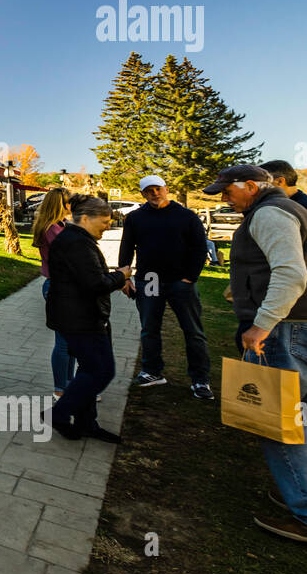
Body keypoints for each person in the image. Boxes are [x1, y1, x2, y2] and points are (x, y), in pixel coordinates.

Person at [205, 164, 307, 549]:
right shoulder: (294, 209)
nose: (224, 199)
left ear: (251, 186)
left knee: (275, 420)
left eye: (227, 191)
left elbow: (290, 273)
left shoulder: (269, 213)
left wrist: (261, 323)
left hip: (290, 329)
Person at [46, 194, 134, 443]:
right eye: (105, 221)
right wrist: (121, 275)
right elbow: (94, 284)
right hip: (81, 320)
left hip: (81, 317)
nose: (109, 225)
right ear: (85, 218)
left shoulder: (77, 239)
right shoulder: (76, 243)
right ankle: (59, 414)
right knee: (101, 371)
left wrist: (117, 280)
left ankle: (86, 423)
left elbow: (87, 274)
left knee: (88, 370)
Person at [119, 174, 215, 400]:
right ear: (142, 193)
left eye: (158, 189)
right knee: (149, 328)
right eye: (149, 190)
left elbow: (200, 249)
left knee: (193, 332)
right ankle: (152, 371)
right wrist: (124, 277)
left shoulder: (186, 216)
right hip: (149, 280)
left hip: (180, 282)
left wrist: (190, 277)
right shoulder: (135, 218)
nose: (154, 193)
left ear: (166, 189)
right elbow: (126, 246)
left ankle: (201, 380)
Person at [31, 187, 75, 397]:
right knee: (64, 342)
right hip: (58, 287)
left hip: (66, 286)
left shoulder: (60, 225)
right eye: (69, 202)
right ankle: (61, 388)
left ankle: (70, 383)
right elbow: (70, 255)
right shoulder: (52, 229)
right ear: (61, 204)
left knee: (71, 341)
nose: (71, 206)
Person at [261, 160, 307, 243]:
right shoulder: (296, 202)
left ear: (280, 181)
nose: (259, 188)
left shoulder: (300, 207)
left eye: (263, 182)